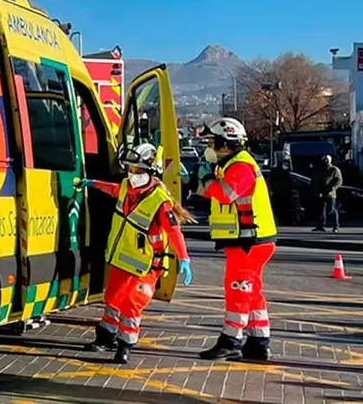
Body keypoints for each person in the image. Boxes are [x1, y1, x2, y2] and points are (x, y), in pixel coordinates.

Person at [78, 143, 194, 364]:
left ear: (150, 172)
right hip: (122, 258)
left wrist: (184, 258)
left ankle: (125, 345)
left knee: (132, 303)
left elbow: (174, 232)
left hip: (148, 264)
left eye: (138, 171)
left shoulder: (160, 201)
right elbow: (113, 189)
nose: (133, 174)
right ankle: (105, 337)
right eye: (130, 169)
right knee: (112, 298)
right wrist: (92, 183)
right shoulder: (125, 187)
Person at [195, 117, 277, 361]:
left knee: (238, 290)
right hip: (249, 240)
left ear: (225, 142)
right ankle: (258, 342)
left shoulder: (240, 166)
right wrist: (200, 180)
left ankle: (231, 340)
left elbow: (224, 194)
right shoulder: (231, 164)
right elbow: (209, 193)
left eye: (211, 142)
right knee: (252, 292)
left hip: (248, 241)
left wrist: (208, 178)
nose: (209, 147)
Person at [312, 155, 343, 233]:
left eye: (327, 159)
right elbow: (315, 180)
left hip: (330, 193)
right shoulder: (319, 169)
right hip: (321, 192)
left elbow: (339, 181)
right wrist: (315, 190)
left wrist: (332, 188)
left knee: (331, 210)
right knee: (321, 210)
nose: (325, 161)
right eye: (324, 159)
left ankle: (336, 226)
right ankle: (320, 225)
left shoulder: (334, 170)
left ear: (330, 160)